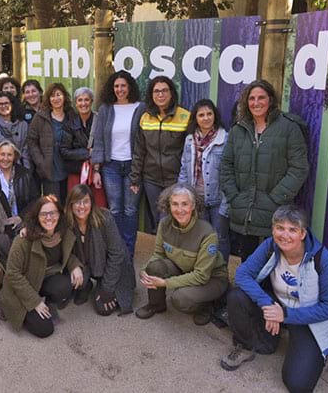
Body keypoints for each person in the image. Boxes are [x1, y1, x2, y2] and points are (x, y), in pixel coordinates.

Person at [220, 206, 328, 393]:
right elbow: (242, 274)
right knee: (237, 297)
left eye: (292, 230)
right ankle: (258, 343)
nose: (285, 235)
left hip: (306, 317)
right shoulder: (270, 245)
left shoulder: (321, 258)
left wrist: (285, 315)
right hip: (277, 305)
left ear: (303, 233)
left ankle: (315, 354)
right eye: (280, 228)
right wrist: (268, 305)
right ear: (273, 230)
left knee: (298, 385)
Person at [220, 80, 308, 261]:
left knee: (272, 266)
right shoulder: (239, 130)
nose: (256, 102)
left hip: (275, 212)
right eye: (251, 98)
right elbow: (225, 165)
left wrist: (275, 199)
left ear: (271, 100)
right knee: (248, 262)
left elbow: (299, 168)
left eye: (261, 97)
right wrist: (234, 197)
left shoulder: (288, 127)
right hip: (244, 211)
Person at [135, 183, 228, 326]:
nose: (179, 210)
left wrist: (166, 283)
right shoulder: (164, 224)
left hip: (211, 278)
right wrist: (144, 270)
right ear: (168, 206)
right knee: (154, 267)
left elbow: (201, 276)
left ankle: (207, 304)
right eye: (175, 204)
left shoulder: (207, 233)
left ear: (193, 206)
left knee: (180, 299)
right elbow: (158, 254)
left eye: (185, 204)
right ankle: (156, 304)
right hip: (183, 268)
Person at [0, 195, 83, 338]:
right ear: (36, 216)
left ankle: (49, 304)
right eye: (43, 214)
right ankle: (5, 306)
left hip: (44, 277)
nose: (49, 218)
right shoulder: (24, 239)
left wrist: (75, 266)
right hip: (22, 286)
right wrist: (35, 302)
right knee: (45, 329)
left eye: (53, 213)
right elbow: (13, 273)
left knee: (65, 285)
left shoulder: (62, 232)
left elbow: (67, 254)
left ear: (59, 214)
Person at [91, 71, 145, 256]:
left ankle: (128, 254)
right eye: (116, 86)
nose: (119, 89)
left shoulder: (141, 108)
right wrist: (96, 169)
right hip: (111, 167)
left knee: (130, 210)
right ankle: (116, 251)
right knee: (114, 209)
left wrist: (138, 172)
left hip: (133, 167)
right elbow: (98, 139)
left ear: (129, 86)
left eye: (123, 85)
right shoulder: (106, 109)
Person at [130, 76, 190, 233]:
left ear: (171, 94)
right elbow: (139, 150)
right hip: (151, 180)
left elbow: (190, 151)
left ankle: (174, 255)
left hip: (175, 179)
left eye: (164, 90)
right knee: (158, 219)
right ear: (151, 95)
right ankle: (162, 254)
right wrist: (135, 178)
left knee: (174, 219)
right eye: (156, 91)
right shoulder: (145, 117)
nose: (160, 95)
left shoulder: (184, 116)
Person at [65, 184, 135, 315]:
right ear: (70, 205)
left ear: (92, 202)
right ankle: (86, 285)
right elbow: (64, 251)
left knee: (104, 309)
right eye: (77, 202)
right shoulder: (67, 222)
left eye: (86, 201)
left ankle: (102, 284)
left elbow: (117, 255)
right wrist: (74, 266)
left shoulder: (105, 218)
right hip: (85, 264)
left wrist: (107, 289)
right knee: (67, 284)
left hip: (110, 266)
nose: (81, 206)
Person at [178, 98, 230, 263]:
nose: (206, 118)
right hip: (197, 199)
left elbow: (231, 172)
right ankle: (204, 273)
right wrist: (183, 196)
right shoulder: (189, 140)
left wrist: (227, 202)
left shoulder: (225, 139)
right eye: (201, 115)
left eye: (209, 114)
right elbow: (184, 169)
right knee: (201, 238)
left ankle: (220, 274)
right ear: (196, 118)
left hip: (218, 199)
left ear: (215, 116)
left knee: (220, 238)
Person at [27, 82, 76, 204]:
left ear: (64, 96)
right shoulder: (40, 117)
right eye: (52, 96)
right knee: (53, 203)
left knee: (69, 203)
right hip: (49, 168)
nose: (56, 99)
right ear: (48, 99)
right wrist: (40, 162)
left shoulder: (71, 116)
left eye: (59, 95)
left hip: (68, 167)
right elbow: (31, 141)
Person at [60, 87, 106, 206]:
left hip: (97, 171)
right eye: (80, 100)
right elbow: (64, 151)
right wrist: (87, 153)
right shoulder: (69, 124)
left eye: (86, 100)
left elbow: (104, 146)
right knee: (77, 205)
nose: (83, 103)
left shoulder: (100, 120)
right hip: (76, 171)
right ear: (76, 103)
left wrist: (96, 167)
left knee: (98, 205)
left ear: (91, 101)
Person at [0, 140, 39, 222]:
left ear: (14, 157)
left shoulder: (25, 174)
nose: (5, 158)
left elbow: (35, 200)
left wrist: (21, 217)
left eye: (9, 155)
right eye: (2, 154)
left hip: (22, 223)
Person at [0, 91, 30, 169]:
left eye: (6, 103)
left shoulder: (23, 125)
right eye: (0, 104)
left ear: (12, 104)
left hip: (17, 170)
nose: (4, 106)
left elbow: (26, 151)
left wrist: (26, 171)